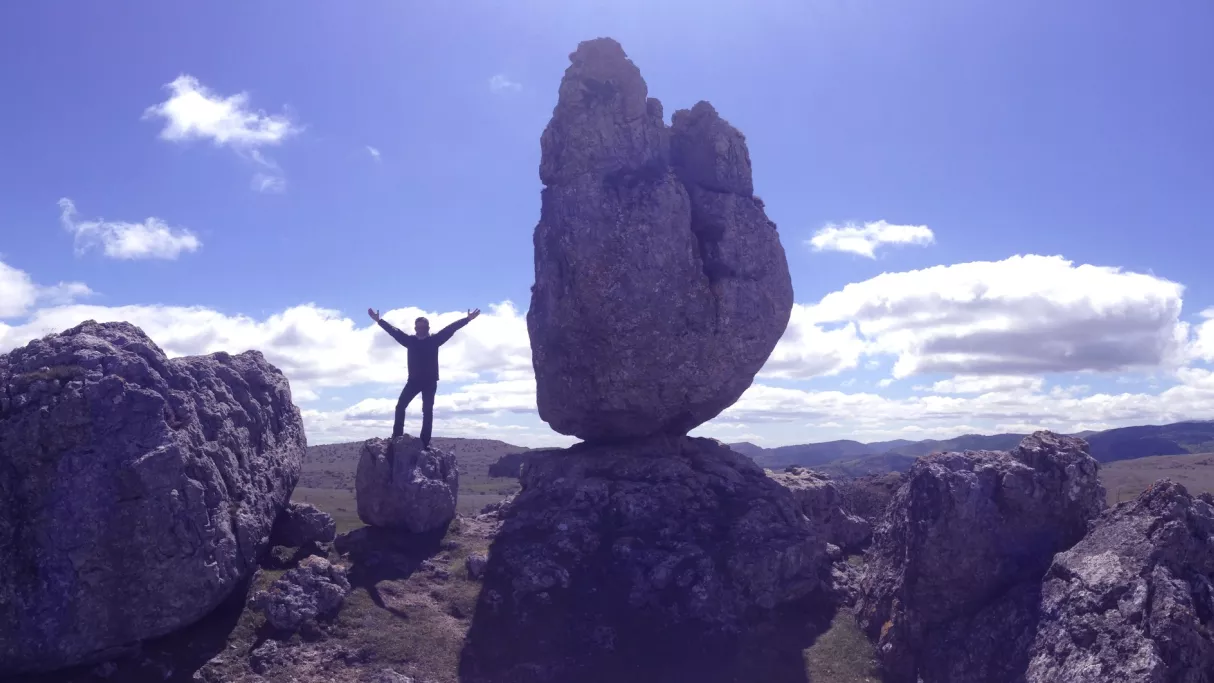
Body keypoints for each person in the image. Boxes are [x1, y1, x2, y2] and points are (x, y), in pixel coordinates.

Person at [368, 306, 480, 447]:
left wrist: (467, 319)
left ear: (428, 327)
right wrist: (379, 320)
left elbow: (450, 329)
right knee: (400, 406)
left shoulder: (435, 340)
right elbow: (394, 332)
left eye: (423, 327)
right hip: (413, 381)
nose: (421, 330)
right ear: (415, 329)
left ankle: (424, 442)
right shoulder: (410, 341)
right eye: (418, 327)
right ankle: (397, 437)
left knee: (427, 411)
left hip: (430, 381)